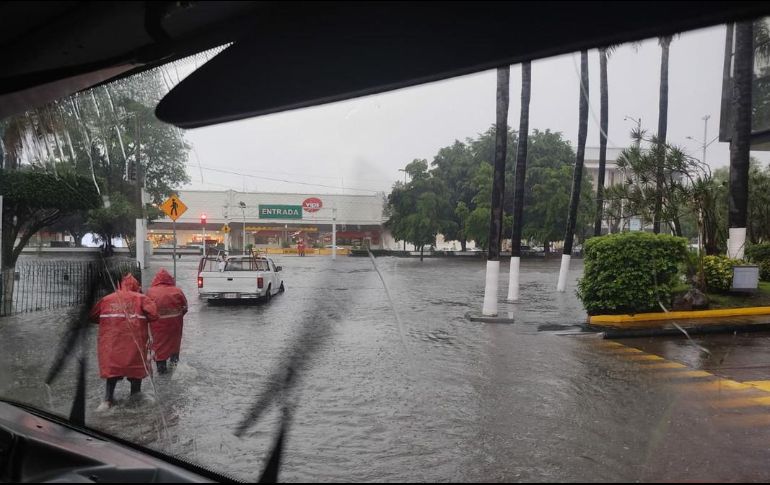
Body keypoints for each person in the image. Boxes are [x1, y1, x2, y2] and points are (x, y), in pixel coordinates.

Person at [90, 273, 158, 410]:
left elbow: (92, 316)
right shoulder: (141, 299)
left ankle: (107, 400)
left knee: (112, 373)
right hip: (134, 346)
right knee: (135, 374)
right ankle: (134, 400)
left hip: (112, 346)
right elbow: (154, 315)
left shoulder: (106, 299)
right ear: (136, 286)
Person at [146, 269, 188, 375]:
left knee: (159, 348)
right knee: (174, 346)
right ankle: (174, 366)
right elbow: (185, 307)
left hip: (157, 327)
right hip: (175, 325)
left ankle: (161, 370)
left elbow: (146, 310)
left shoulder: (150, 291)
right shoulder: (177, 291)